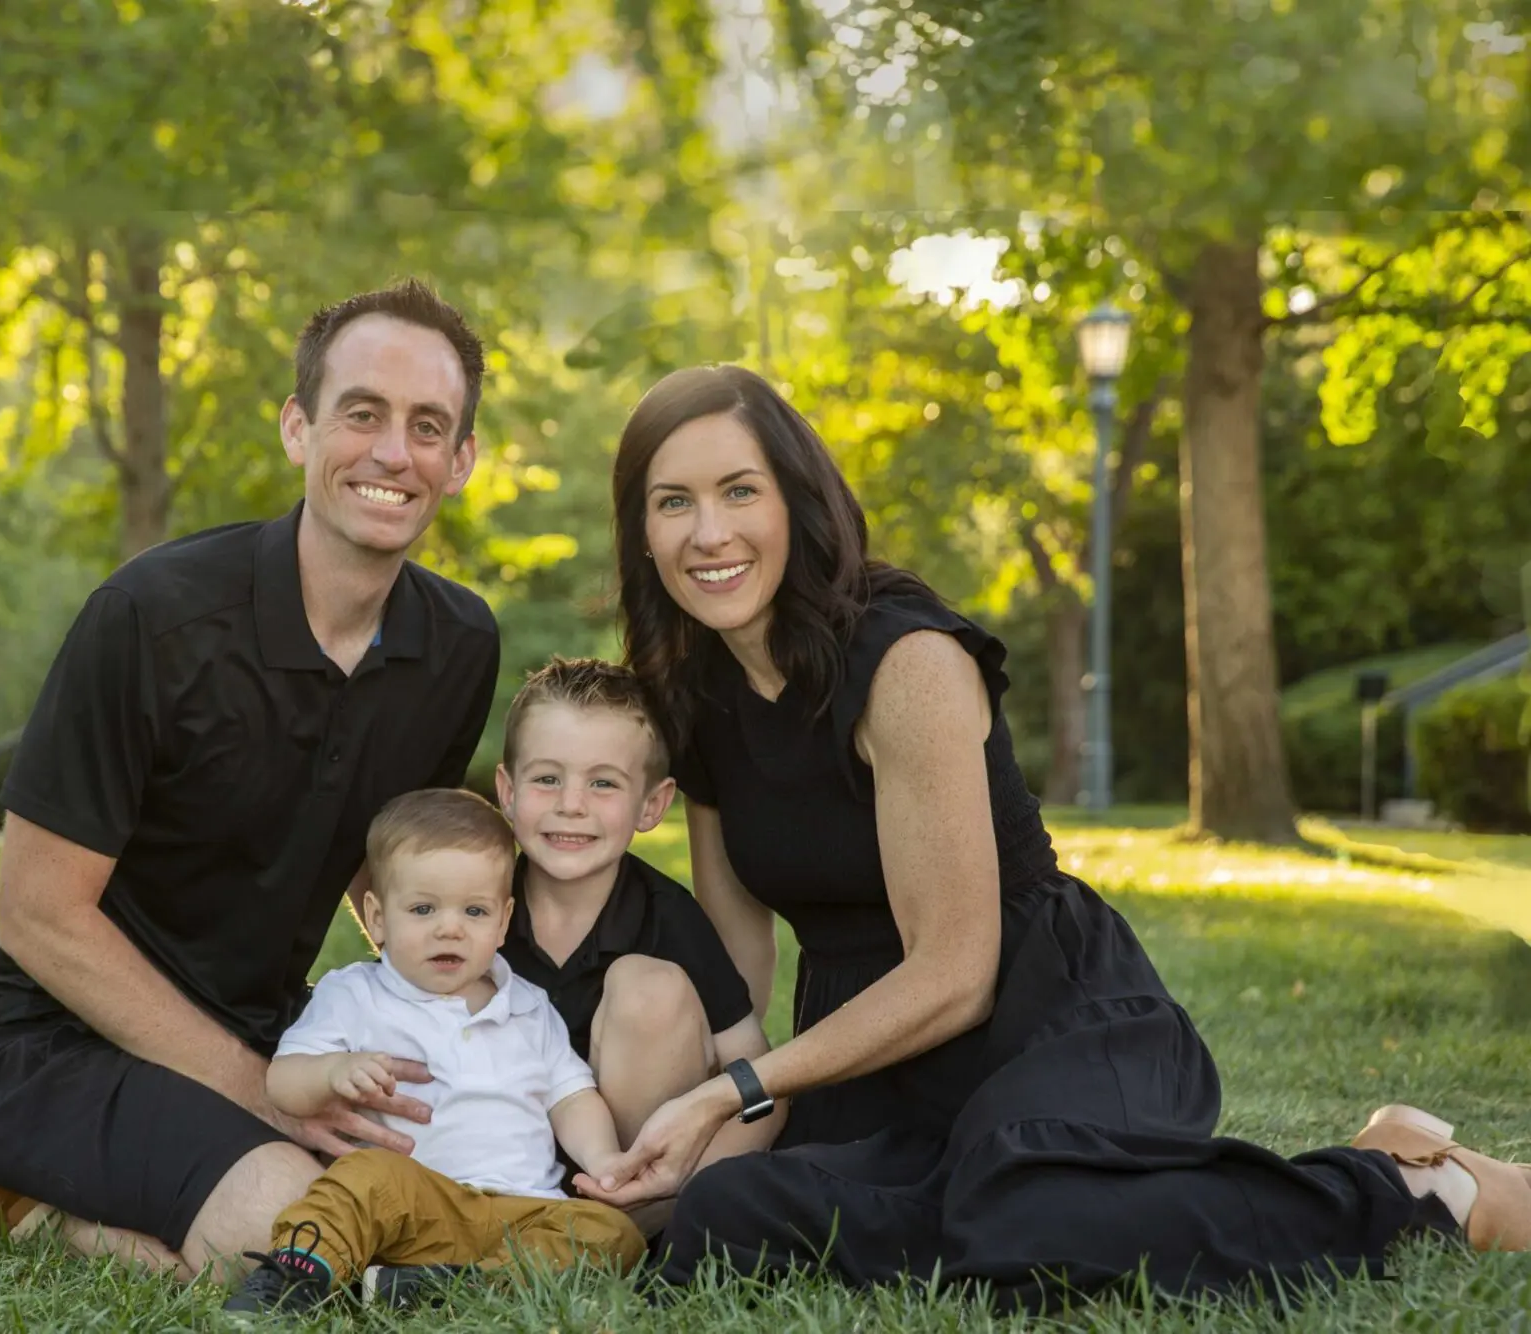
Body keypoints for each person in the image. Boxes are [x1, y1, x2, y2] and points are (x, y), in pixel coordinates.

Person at [576, 364, 1531, 1310]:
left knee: (1026, 1215)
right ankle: (1046, 1200)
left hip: (1049, 1018)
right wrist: (704, 1147)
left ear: (797, 499)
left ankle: (1417, 1186)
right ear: (642, 532)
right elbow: (735, 979)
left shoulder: (905, 661)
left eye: (740, 490)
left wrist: (728, 1090)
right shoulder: (694, 695)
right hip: (869, 1065)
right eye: (673, 502)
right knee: (736, 1215)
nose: (710, 533)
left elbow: (957, 971)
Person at [0, 280, 503, 1283]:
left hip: (278, 1031)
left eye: (427, 425)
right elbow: (39, 915)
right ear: (296, 427)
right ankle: (31, 1204)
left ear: (461, 459)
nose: (393, 453)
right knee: (299, 1226)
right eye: (361, 413)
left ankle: (146, 1215)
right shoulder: (151, 617)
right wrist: (260, 1092)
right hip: (55, 1043)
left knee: (458, 1170)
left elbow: (390, 881)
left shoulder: (459, 644)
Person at [223, 788, 645, 1316]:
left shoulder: (529, 1006)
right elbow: (283, 1082)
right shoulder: (356, 993)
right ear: (376, 918)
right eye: (423, 908)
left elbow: (571, 1096)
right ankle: (295, 1275)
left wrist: (603, 1158)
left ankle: (445, 1287)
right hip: (412, 1202)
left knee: (613, 1235)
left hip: (524, 1209)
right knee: (363, 1180)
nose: (450, 927)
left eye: (474, 910)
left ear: (503, 920)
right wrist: (333, 1070)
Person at [493, 656, 781, 1165]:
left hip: (629, 1181)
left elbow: (758, 1074)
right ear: (508, 792)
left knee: (650, 989)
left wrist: (698, 1189)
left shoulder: (667, 916)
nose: (572, 804)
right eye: (547, 779)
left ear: (651, 805)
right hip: (490, 1170)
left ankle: (619, 1221)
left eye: (603, 783)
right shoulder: (477, 904)